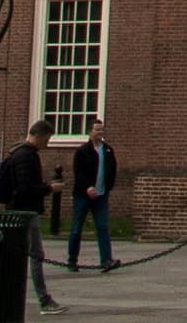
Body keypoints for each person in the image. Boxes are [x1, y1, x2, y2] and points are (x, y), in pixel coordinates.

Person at [0, 119, 65, 312]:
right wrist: (49, 187)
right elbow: (24, 188)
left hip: (20, 210)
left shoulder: (20, 152)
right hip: (24, 211)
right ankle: (43, 299)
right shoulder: (25, 156)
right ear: (39, 136)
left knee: (22, 254)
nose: (48, 144)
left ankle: (10, 296)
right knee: (35, 254)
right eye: (47, 139)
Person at [66, 116, 122, 272]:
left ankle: (106, 260)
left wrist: (108, 187)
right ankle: (72, 260)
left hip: (101, 195)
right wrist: (87, 187)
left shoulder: (108, 150)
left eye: (102, 130)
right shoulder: (82, 151)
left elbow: (112, 169)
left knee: (103, 227)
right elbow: (79, 172)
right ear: (90, 132)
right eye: (97, 130)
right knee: (77, 227)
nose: (100, 132)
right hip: (83, 196)